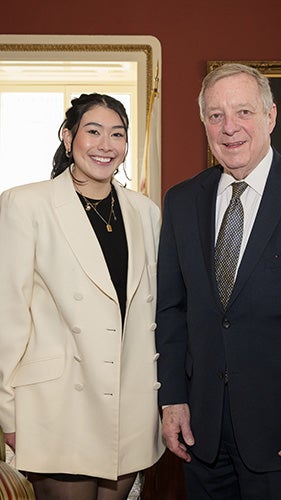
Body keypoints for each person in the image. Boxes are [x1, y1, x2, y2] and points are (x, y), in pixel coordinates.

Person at [156, 63, 281, 499]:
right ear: (204, 124)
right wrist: (172, 398)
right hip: (202, 434)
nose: (229, 127)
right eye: (215, 115)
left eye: (243, 112)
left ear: (271, 116)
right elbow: (171, 310)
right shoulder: (181, 201)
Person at [0, 93, 164, 500]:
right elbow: (8, 314)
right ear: (68, 135)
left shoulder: (145, 212)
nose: (106, 144)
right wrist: (8, 414)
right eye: (93, 131)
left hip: (128, 407)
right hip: (56, 405)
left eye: (117, 134)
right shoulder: (25, 203)